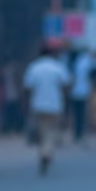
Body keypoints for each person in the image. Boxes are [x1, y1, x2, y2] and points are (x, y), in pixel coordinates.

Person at [22, 43, 71, 173]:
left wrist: (26, 103)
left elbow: (27, 87)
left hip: (38, 104)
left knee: (42, 131)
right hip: (55, 105)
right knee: (51, 131)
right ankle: (46, 153)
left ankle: (44, 152)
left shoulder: (34, 67)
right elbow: (65, 85)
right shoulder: (57, 67)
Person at [70, 48, 93, 142]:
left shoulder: (74, 62)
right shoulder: (87, 62)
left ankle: (77, 133)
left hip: (75, 91)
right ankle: (81, 133)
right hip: (84, 91)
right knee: (82, 113)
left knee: (76, 114)